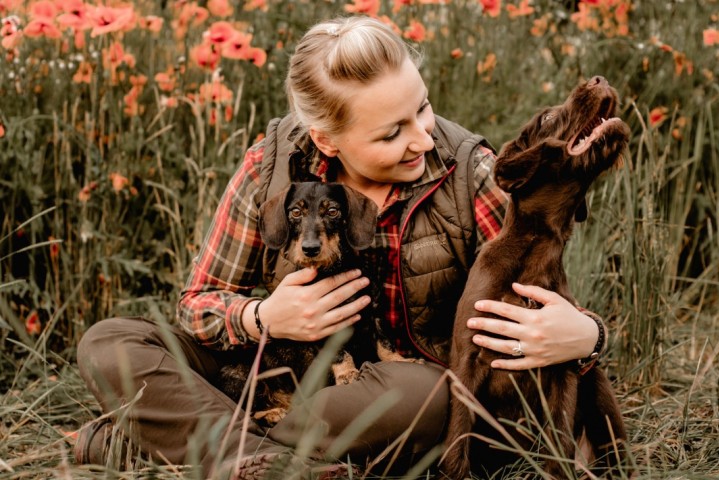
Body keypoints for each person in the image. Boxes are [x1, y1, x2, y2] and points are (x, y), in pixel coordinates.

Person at [74, 15, 606, 479]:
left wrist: (587, 334)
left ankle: (169, 442)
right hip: (280, 371)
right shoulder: (269, 168)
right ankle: (261, 461)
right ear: (327, 139)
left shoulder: (471, 171)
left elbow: (534, 305)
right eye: (391, 132)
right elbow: (198, 303)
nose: (422, 138)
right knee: (111, 341)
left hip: (402, 384)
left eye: (422, 108)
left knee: (423, 399)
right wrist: (264, 317)